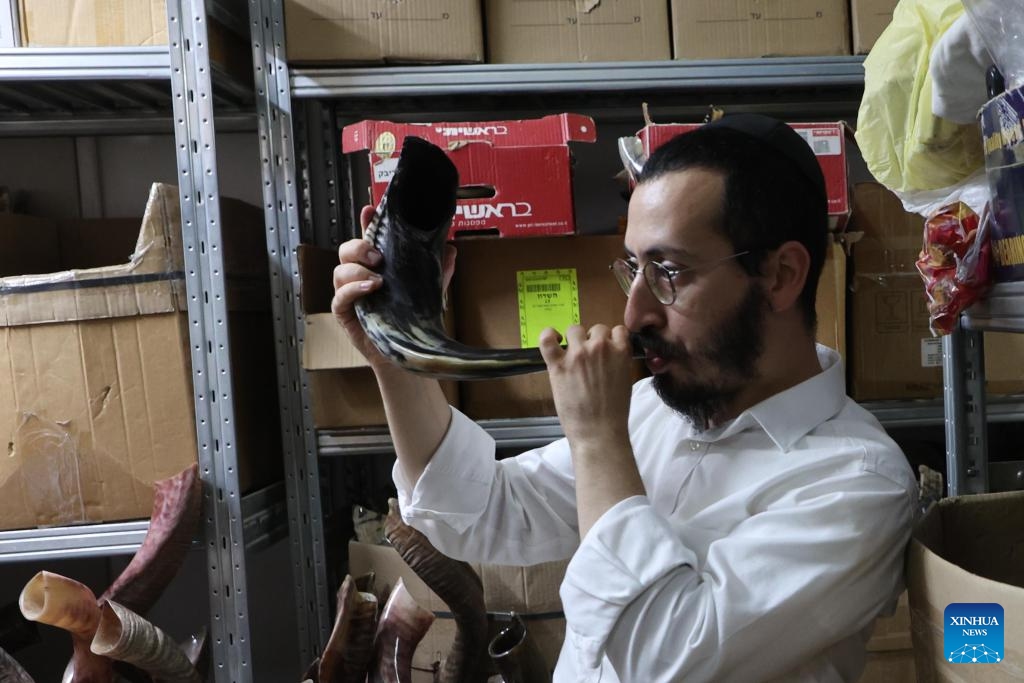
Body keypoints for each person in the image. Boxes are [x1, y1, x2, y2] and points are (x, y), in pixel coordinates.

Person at [332, 113, 918, 683]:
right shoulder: (658, 411)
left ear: (781, 275)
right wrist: (395, 360)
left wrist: (596, 437)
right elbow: (481, 513)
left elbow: (664, 658)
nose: (634, 312)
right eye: (633, 268)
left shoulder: (857, 483)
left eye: (669, 271)